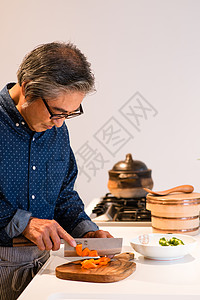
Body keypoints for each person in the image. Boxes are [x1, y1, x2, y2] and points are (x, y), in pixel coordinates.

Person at [0, 42, 112, 300]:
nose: (60, 123)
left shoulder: (56, 130)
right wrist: (24, 223)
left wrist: (87, 230)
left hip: (44, 266)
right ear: (28, 89)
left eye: (70, 114)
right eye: (57, 113)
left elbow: (62, 194)